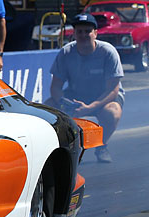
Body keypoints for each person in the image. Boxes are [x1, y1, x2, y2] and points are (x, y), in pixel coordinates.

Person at [44, 13, 124, 163]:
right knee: (48, 108)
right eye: (79, 31)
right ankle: (63, 149)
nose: (83, 35)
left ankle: (102, 146)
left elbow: (113, 89)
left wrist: (90, 107)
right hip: (76, 94)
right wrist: (63, 103)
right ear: (74, 34)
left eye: (87, 31)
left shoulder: (108, 52)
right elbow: (55, 87)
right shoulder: (66, 52)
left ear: (95, 33)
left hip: (104, 96)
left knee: (112, 112)